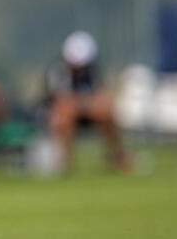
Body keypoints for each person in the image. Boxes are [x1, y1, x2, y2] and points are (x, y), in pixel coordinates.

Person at [45, 30, 129, 172]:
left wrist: (84, 104)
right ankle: (63, 163)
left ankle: (116, 157)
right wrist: (84, 103)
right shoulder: (57, 71)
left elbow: (101, 96)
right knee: (64, 116)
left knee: (107, 113)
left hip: (89, 113)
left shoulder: (94, 71)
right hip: (64, 115)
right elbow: (60, 101)